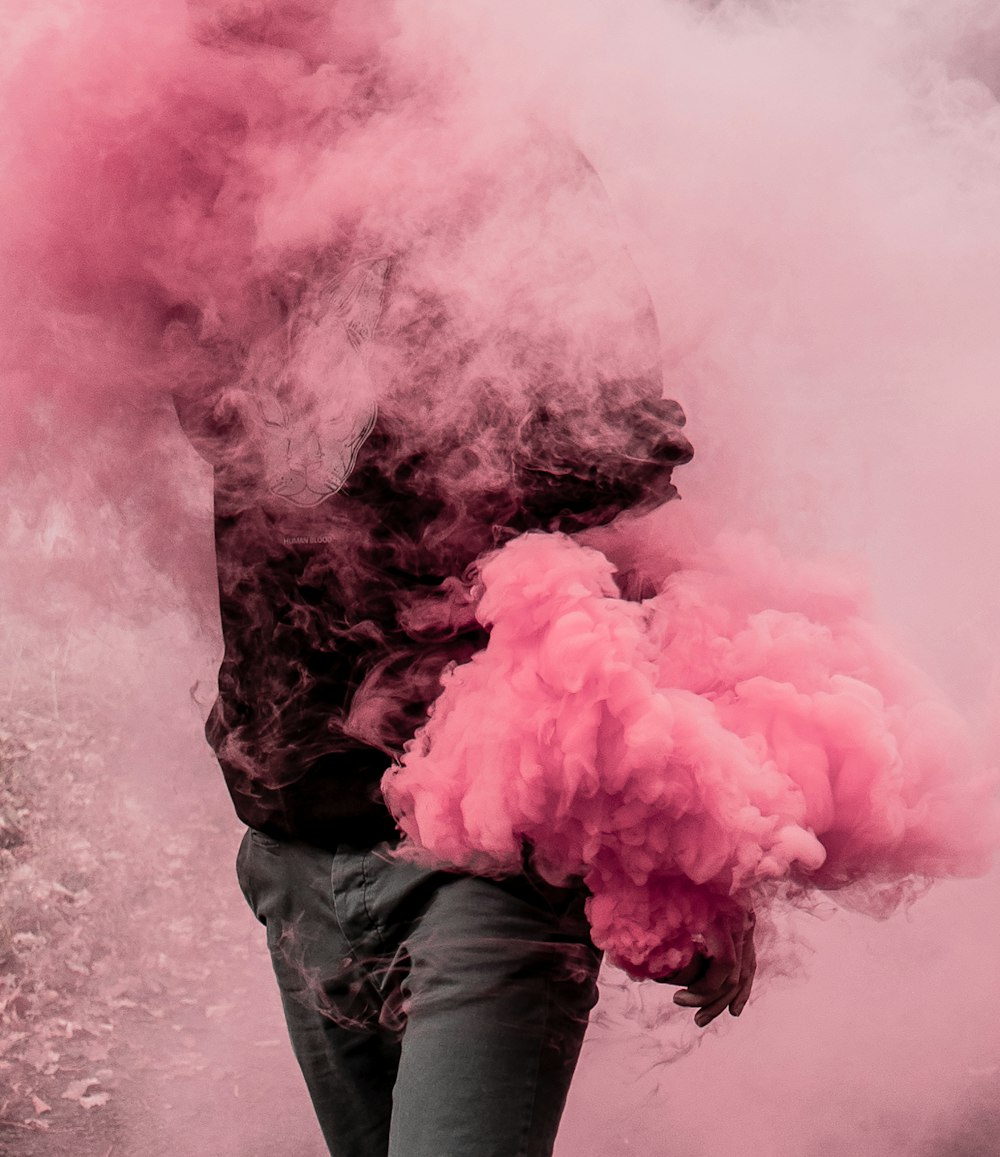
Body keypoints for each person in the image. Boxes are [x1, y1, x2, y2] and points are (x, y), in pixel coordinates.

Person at [170, 13, 755, 1157]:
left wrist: (699, 842)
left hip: (478, 856)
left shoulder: (498, 169)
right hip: (293, 843)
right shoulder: (191, 181)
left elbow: (624, 514)